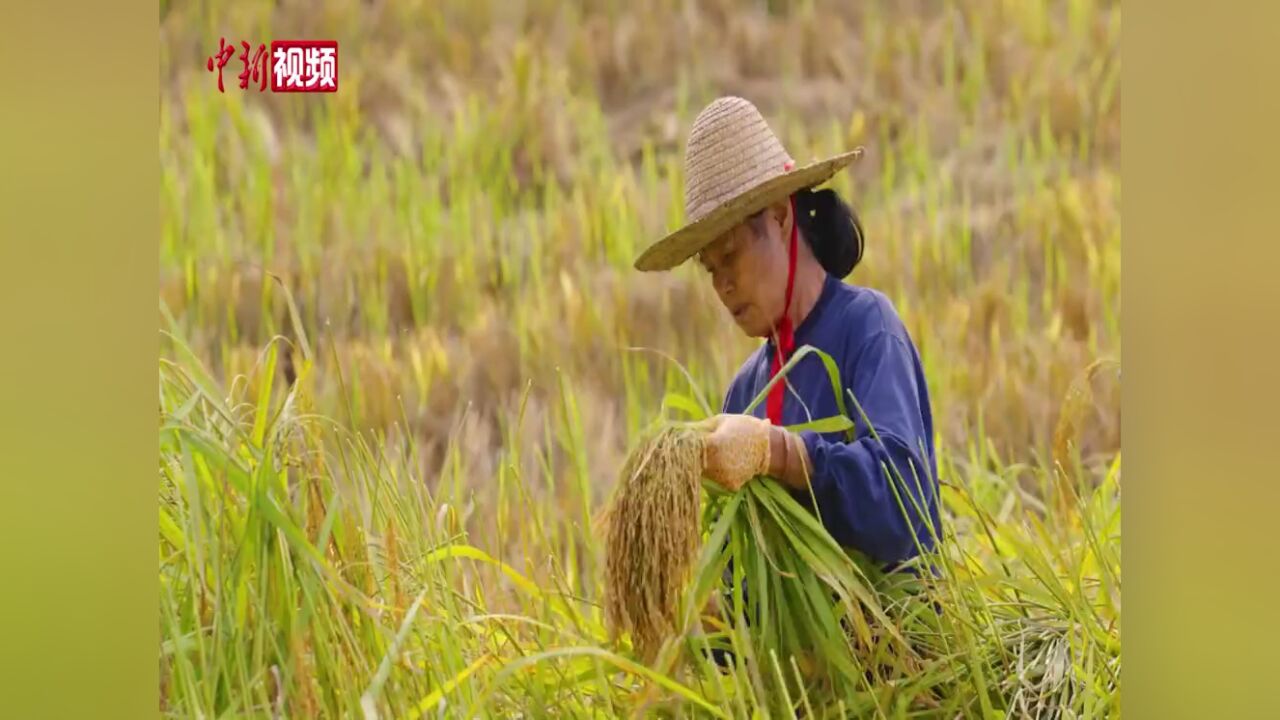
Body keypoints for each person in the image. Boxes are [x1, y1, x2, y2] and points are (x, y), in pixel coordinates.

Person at [634, 96, 941, 569]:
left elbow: (900, 507)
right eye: (710, 269)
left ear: (779, 218)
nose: (723, 284)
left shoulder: (867, 329)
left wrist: (776, 451)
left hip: (898, 635)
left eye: (730, 255)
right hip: (795, 649)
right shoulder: (745, 392)